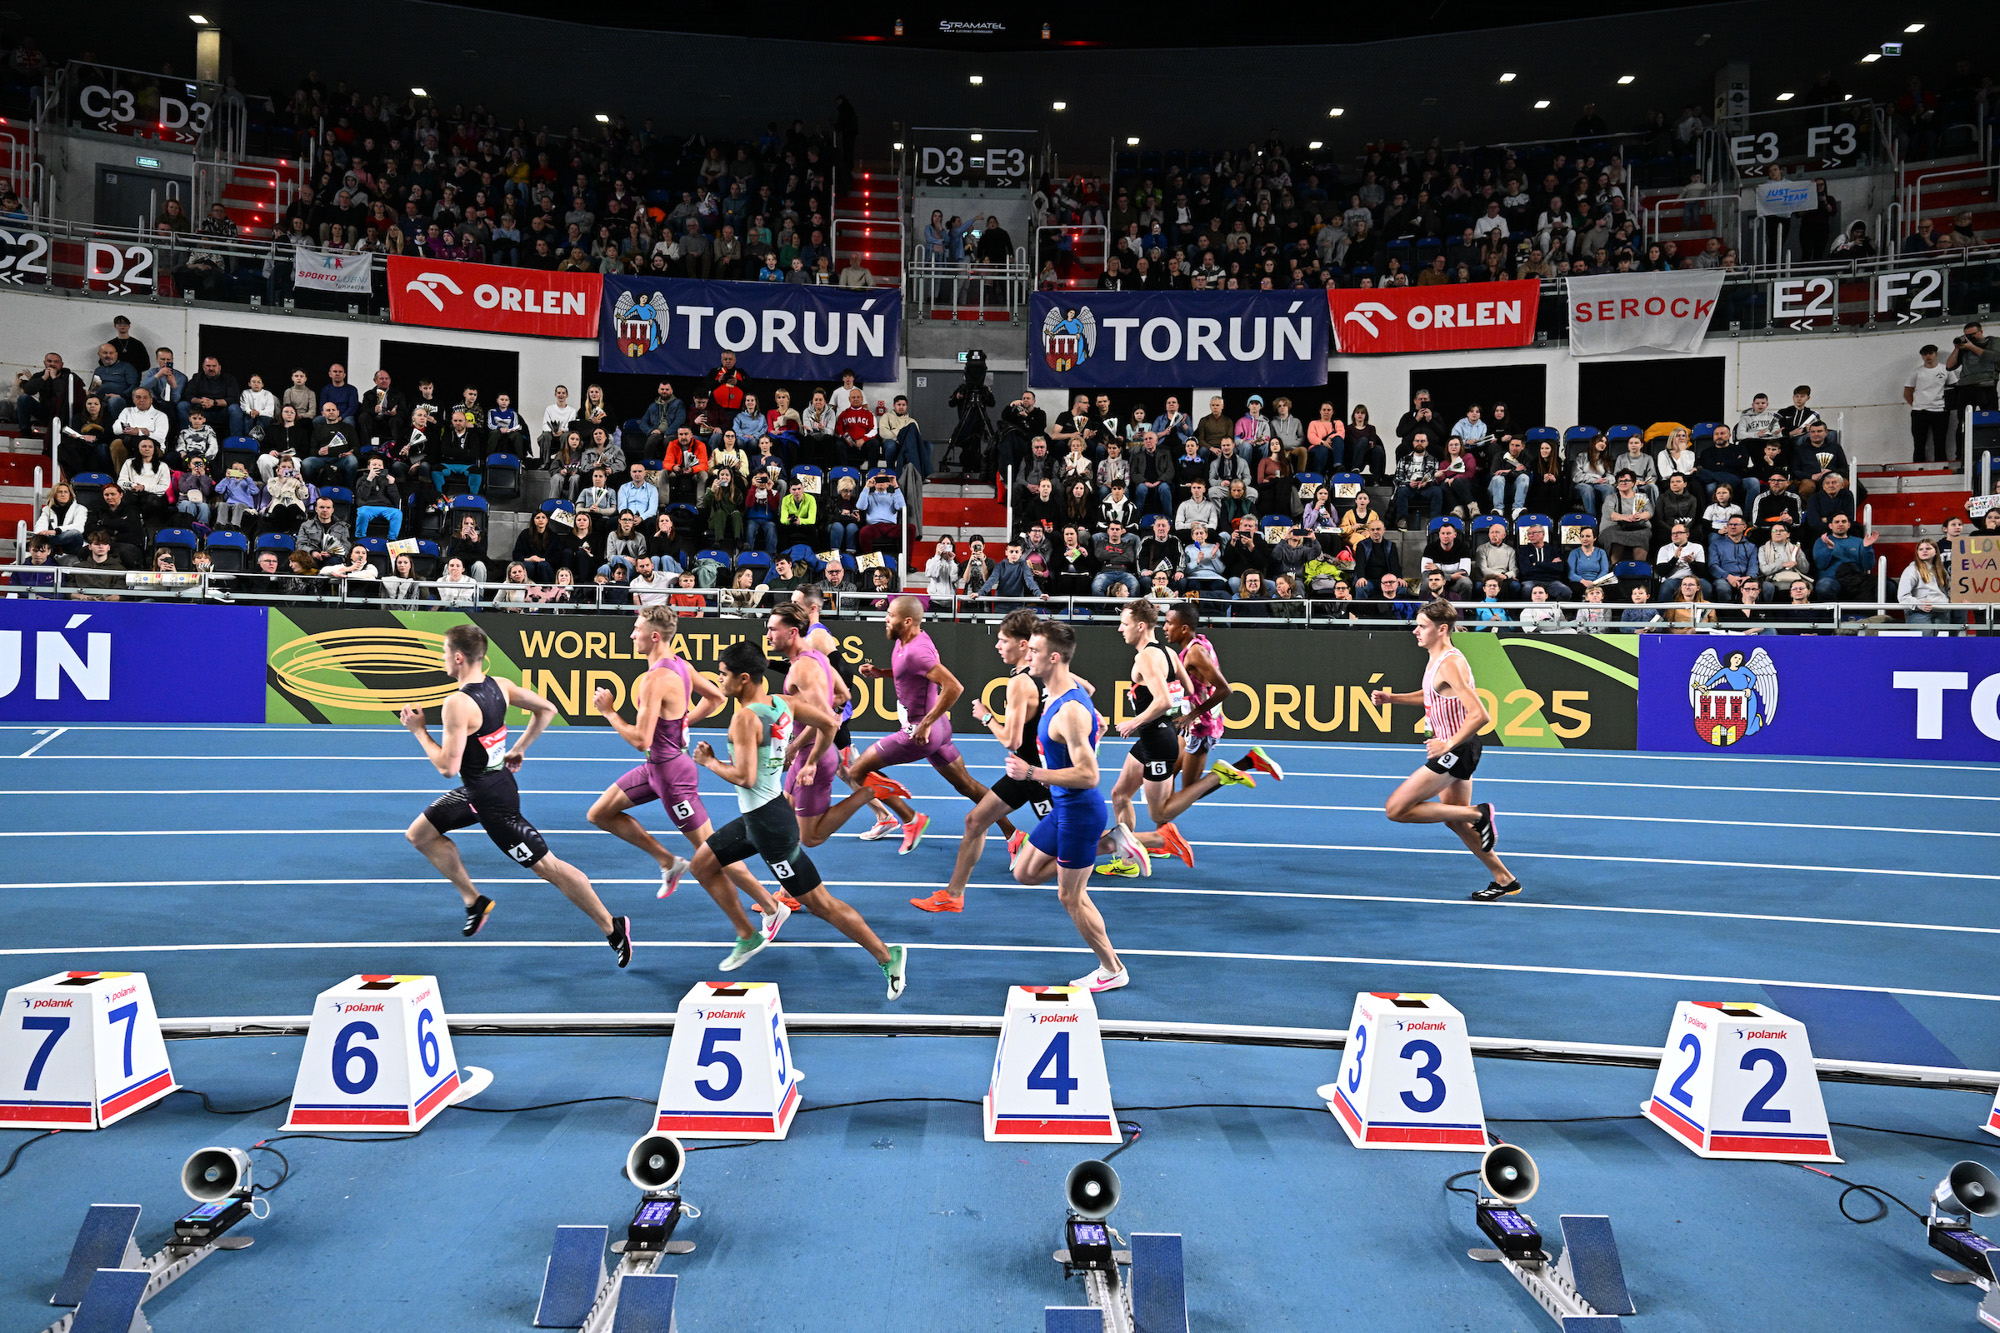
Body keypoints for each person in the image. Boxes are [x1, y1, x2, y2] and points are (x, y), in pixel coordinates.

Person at [400, 624, 631, 964]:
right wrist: (520, 748)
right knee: (420, 834)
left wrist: (418, 731)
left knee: (549, 867)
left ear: (459, 657)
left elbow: (447, 767)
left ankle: (612, 927)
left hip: (493, 803)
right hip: (485, 786)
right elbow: (547, 709)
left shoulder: (457, 704)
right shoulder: (501, 686)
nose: (443, 658)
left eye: (445, 652)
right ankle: (473, 900)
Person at [687, 640, 908, 995]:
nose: (719, 682)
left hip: (772, 828)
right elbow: (831, 723)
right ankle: (748, 932)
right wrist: (808, 759)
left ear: (744, 679)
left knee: (821, 904)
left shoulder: (745, 718)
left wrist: (710, 761)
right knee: (701, 864)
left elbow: (744, 777)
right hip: (759, 815)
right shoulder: (783, 704)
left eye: (723, 676)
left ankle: (887, 955)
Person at [588, 607, 788, 931]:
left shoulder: (654, 680)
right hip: (657, 768)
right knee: (599, 814)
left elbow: (640, 739)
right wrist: (682, 722)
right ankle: (668, 862)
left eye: (636, 629)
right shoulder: (679, 665)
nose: (631, 634)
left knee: (712, 851)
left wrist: (610, 712)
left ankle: (771, 906)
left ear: (654, 636)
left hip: (672, 776)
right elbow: (715, 698)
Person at [917, 608, 1099, 914]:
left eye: (1003, 641)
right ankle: (953, 894)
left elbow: (1011, 741)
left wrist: (985, 715)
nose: (997, 646)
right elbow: (1089, 690)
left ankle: (1139, 840)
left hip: (1034, 774)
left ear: (1024, 645)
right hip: (1026, 772)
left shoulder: (1018, 682)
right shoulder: (1049, 676)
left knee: (1073, 836)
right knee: (975, 821)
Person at [792, 595, 1003, 854]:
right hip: (938, 731)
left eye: (890, 615)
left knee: (857, 771)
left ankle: (910, 818)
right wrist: (881, 673)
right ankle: (1013, 834)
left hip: (919, 732)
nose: (885, 618)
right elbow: (916, 672)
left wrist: (925, 724)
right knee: (966, 785)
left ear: (907, 620)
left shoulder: (916, 650)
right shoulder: (909, 641)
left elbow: (953, 686)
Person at [1007, 619, 1150, 993]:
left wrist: (1032, 772)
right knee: (1023, 872)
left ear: (1054, 658)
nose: (1028, 654)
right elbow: (1092, 712)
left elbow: (1089, 775)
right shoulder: (1061, 691)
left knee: (1070, 895)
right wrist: (1095, 725)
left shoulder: (1069, 710)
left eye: (1035, 651)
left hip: (1079, 811)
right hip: (1063, 809)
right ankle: (1110, 843)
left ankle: (1112, 968)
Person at [1370, 601, 1520, 901]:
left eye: (1422, 626)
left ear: (1442, 629)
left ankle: (1479, 812)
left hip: (1456, 749)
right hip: (1457, 748)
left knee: (1396, 809)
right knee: (1455, 820)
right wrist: (1392, 699)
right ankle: (1505, 879)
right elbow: (1431, 694)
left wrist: (1446, 744)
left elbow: (1480, 715)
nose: (1415, 630)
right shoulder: (1436, 659)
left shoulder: (1451, 662)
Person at [1108, 599, 1270, 861]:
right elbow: (1190, 690)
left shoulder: (1146, 657)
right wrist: (1174, 713)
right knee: (1119, 794)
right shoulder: (1169, 654)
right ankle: (1127, 861)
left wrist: (1134, 721)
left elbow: (1162, 700)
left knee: (1160, 814)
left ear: (1139, 626)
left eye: (1124, 624)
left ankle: (1218, 777)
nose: (1120, 629)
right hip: (1156, 736)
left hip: (1158, 742)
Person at [1906, 343, 1956, 464]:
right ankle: (1918, 467)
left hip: (1940, 410)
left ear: (1935, 354)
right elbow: (1907, 392)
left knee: (1940, 442)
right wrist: (1916, 404)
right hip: (1919, 412)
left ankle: (1941, 466)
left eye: (1930, 353)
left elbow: (1954, 387)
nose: (1928, 356)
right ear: (1922, 357)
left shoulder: (1946, 369)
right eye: (1925, 354)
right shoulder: (1917, 372)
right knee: (1919, 443)